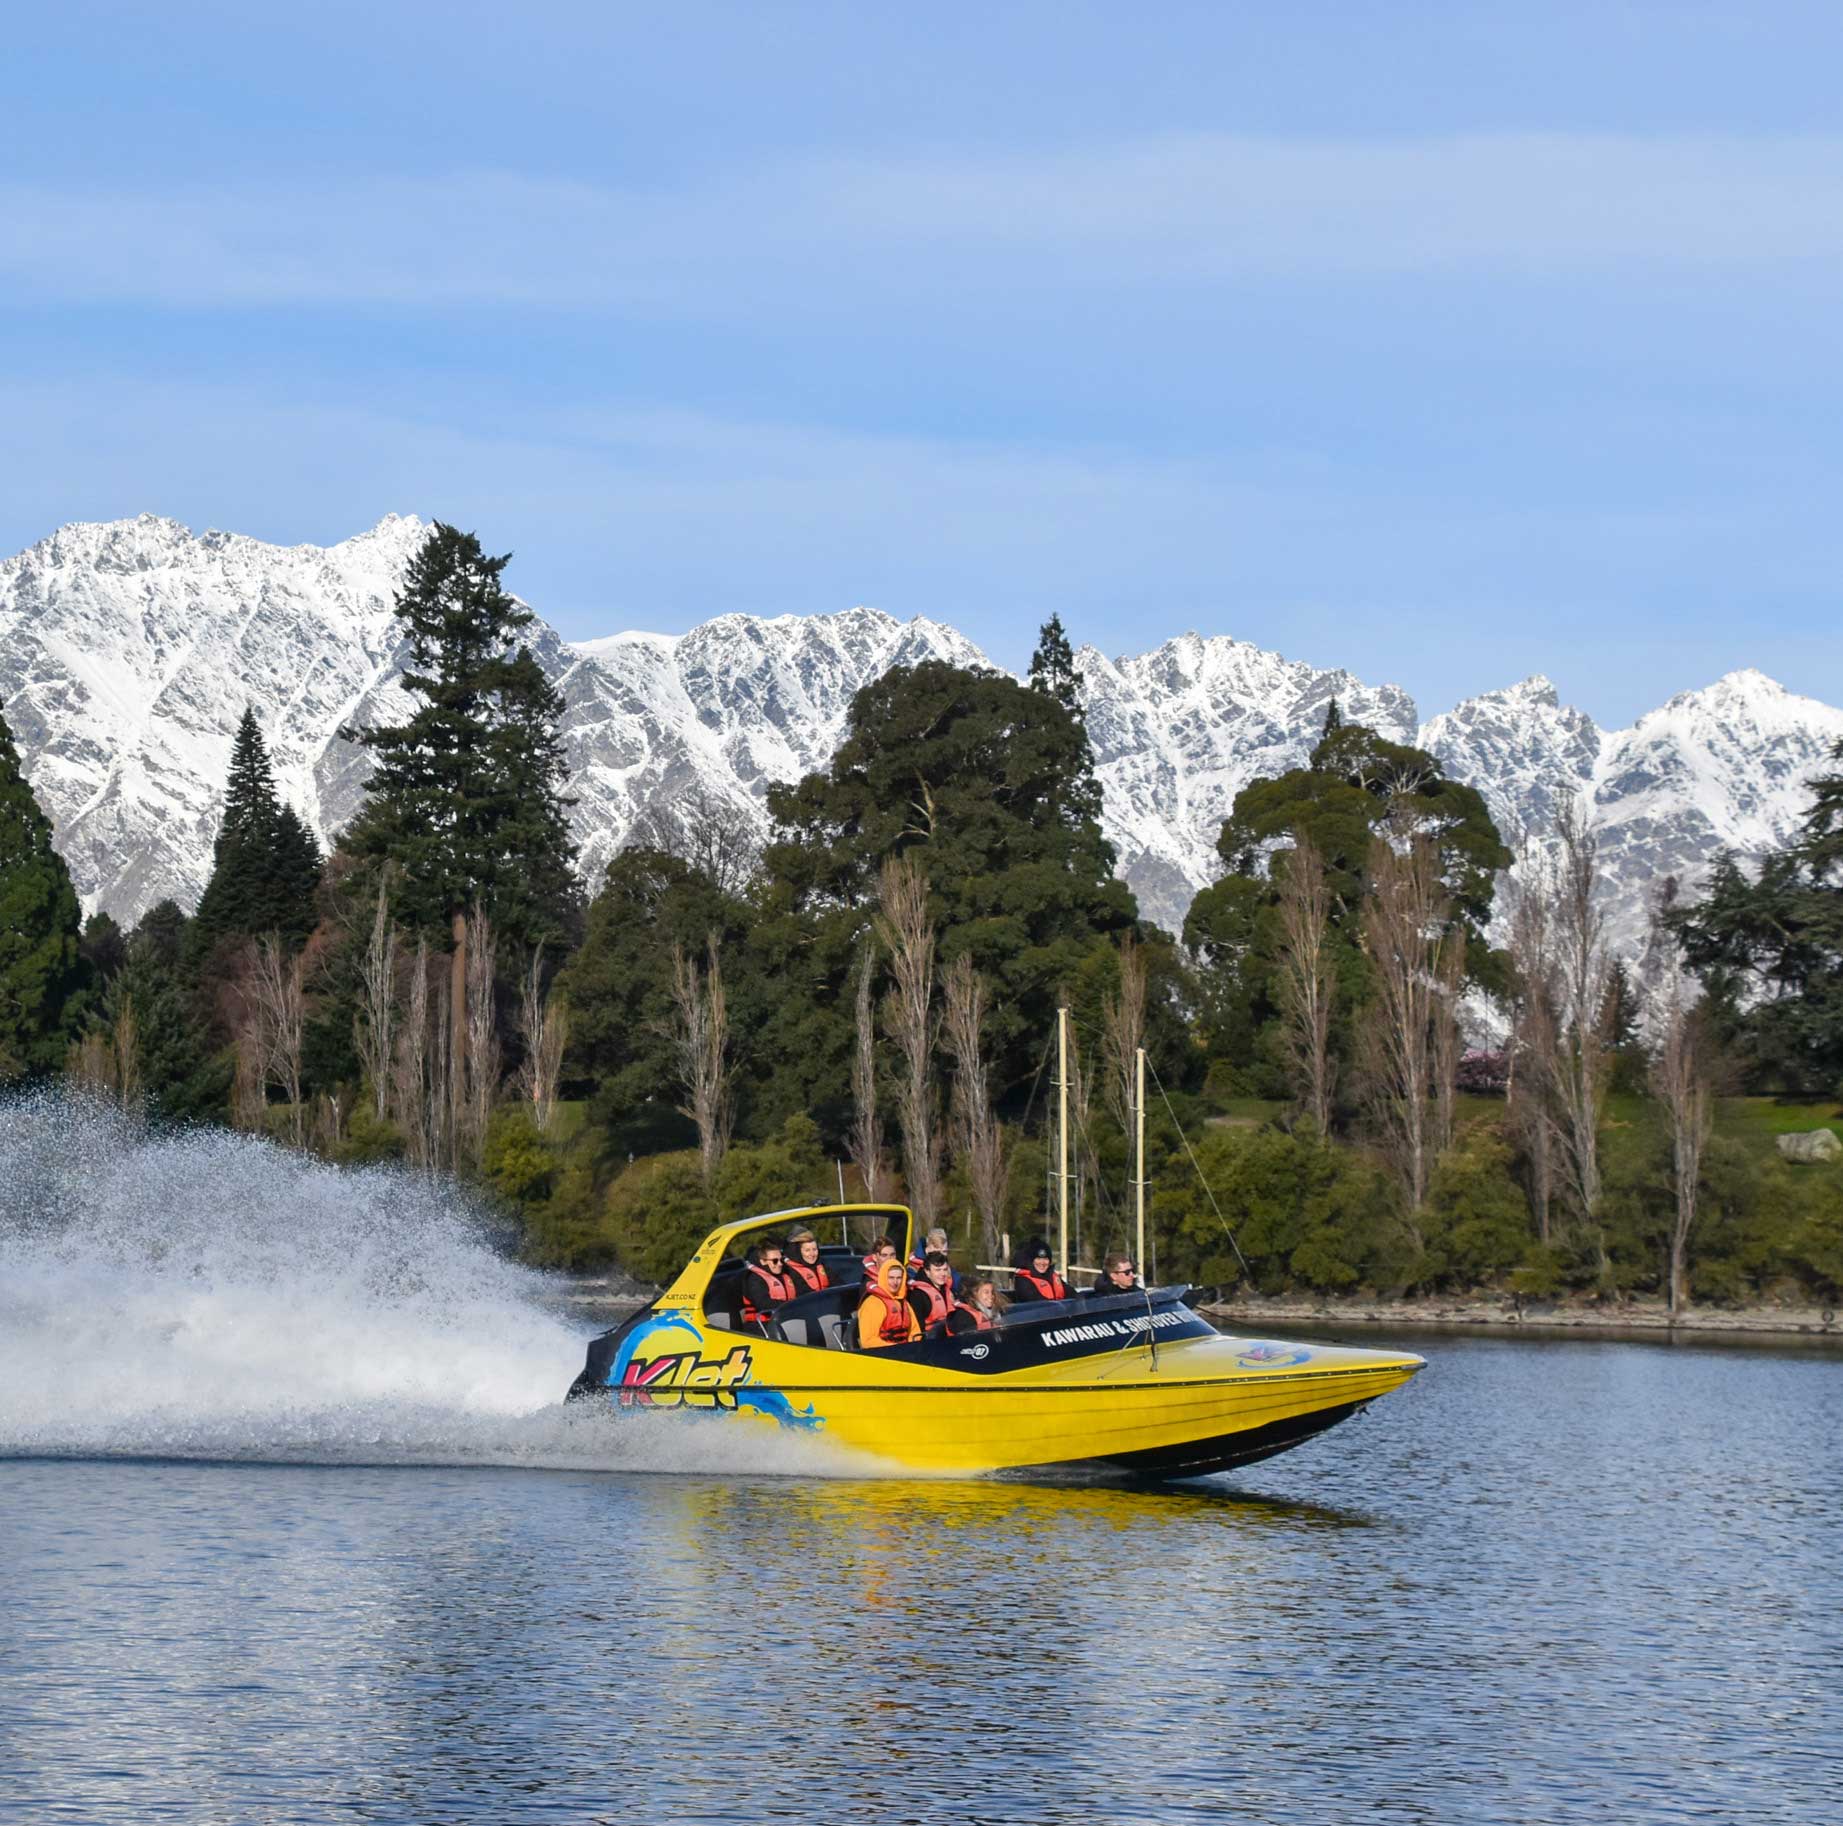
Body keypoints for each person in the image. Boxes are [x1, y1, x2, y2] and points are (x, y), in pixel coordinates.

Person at [857, 1257, 922, 1349]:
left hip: (905, 1353)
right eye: (891, 1278)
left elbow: (915, 1332)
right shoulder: (872, 1304)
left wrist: (911, 1348)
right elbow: (868, 1341)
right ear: (884, 1277)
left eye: (899, 1278)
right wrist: (896, 1349)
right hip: (881, 1354)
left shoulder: (904, 1303)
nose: (895, 1282)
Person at [738, 1237, 799, 1330]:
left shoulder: (785, 1275)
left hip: (784, 1319)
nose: (780, 1264)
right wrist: (791, 1306)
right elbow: (763, 1304)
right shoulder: (754, 1279)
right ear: (763, 1261)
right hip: (761, 1325)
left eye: (781, 1260)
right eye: (775, 1261)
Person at [907, 1251, 961, 1337]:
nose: (942, 1274)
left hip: (949, 1337)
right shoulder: (918, 1295)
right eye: (937, 1270)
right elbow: (917, 1328)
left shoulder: (949, 1290)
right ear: (927, 1272)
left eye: (945, 1269)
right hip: (930, 1342)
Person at [906, 1227, 961, 1292]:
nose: (942, 1256)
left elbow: (960, 1284)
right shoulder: (912, 1270)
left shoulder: (949, 1270)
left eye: (944, 1251)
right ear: (927, 1249)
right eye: (937, 1252)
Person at [784, 1226, 831, 1296]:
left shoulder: (821, 1265)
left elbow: (838, 1283)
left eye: (814, 1249)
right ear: (797, 1252)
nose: (812, 1254)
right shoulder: (789, 1271)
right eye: (807, 1250)